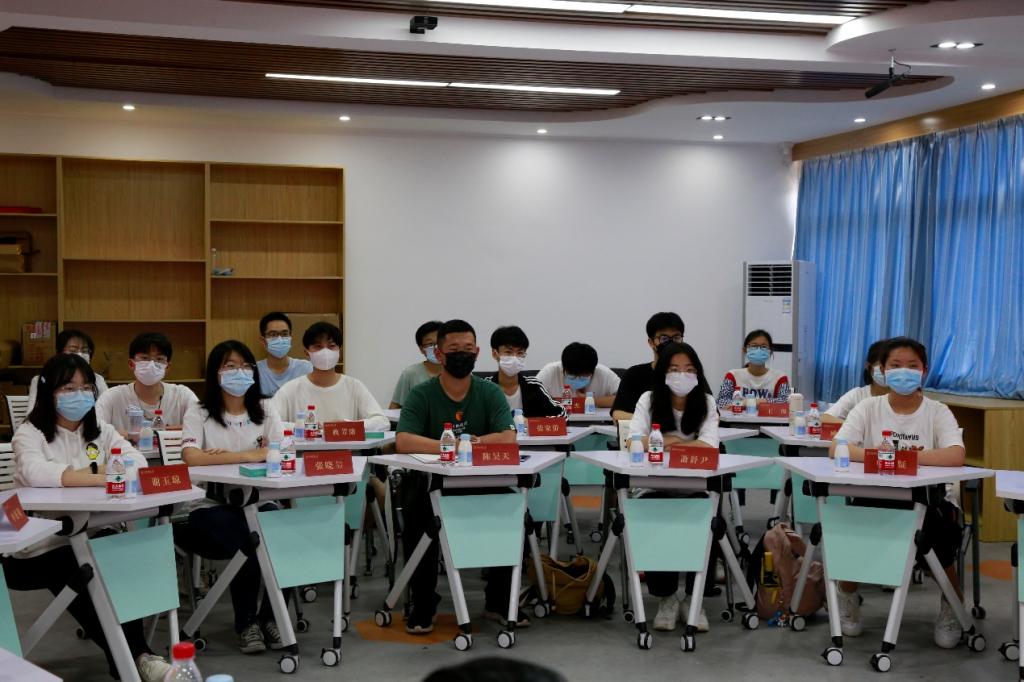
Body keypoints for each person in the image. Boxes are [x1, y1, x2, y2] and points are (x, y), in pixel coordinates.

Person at [6, 354, 172, 681]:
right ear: (49, 392)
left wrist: (87, 473)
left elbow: (137, 463)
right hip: (35, 549)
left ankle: (133, 658)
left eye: (85, 388)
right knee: (83, 567)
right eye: (69, 388)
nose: (79, 395)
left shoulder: (100, 430)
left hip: (91, 532)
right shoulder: (30, 433)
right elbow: (37, 472)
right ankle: (136, 658)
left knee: (119, 555)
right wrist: (100, 473)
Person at [829, 336, 966, 649]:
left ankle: (952, 603)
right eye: (896, 365)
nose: (904, 371)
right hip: (877, 496)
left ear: (924, 371)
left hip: (929, 499)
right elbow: (838, 447)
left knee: (940, 532)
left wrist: (903, 458)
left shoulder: (937, 411)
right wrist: (880, 457)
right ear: (882, 370)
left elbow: (955, 454)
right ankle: (847, 593)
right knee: (852, 526)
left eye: (912, 365)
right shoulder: (868, 407)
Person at [395, 319, 518, 634]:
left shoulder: (489, 391)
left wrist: (471, 443)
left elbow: (507, 437)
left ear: (477, 352)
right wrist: (450, 446)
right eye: (453, 349)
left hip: (480, 482)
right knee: (417, 515)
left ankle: (499, 602)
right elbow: (404, 440)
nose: (462, 354)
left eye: (467, 349)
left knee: (516, 512)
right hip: (431, 483)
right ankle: (424, 603)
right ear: (439, 353)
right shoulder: (422, 393)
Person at [175, 340, 286, 654]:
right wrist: (251, 454)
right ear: (216, 372)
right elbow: (191, 457)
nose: (240, 372)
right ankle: (246, 623)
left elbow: (279, 451)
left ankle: (271, 618)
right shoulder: (199, 411)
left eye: (245, 365)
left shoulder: (266, 408)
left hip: (259, 500)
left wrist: (224, 455)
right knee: (247, 535)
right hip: (207, 505)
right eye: (230, 366)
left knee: (284, 532)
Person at [627, 342, 719, 633]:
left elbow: (710, 446)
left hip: (694, 485)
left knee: (709, 518)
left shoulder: (706, 402)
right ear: (664, 373)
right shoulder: (649, 400)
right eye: (675, 369)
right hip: (653, 485)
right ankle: (666, 598)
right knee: (653, 513)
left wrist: (664, 443)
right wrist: (678, 442)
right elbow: (633, 441)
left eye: (689, 370)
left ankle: (694, 598)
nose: (682, 375)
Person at [272, 321, 389, 432]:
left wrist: (348, 425)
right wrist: (304, 427)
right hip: (305, 446)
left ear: (339, 352)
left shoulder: (354, 386)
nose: (325, 352)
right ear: (307, 353)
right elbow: (269, 424)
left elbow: (382, 422)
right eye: (318, 346)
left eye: (331, 346)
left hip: (347, 447)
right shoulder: (290, 389)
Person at [95, 332, 198, 434]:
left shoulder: (182, 395)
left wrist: (157, 433)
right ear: (131, 364)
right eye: (145, 358)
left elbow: (200, 425)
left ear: (167, 367)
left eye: (159, 359)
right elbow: (95, 431)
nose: (151, 365)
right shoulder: (112, 396)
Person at [611, 312, 685, 421]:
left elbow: (709, 412)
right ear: (651, 342)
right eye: (664, 338)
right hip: (644, 431)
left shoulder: (689, 374)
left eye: (676, 338)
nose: (671, 343)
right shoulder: (635, 374)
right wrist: (654, 422)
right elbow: (618, 414)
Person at [485, 325, 564, 417]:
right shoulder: (485, 388)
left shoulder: (533, 386)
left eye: (520, 353)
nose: (514, 358)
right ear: (495, 354)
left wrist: (531, 422)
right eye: (508, 352)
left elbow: (562, 414)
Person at [27, 329, 109, 410]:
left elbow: (107, 409)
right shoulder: (42, 379)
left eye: (84, 351)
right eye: (73, 350)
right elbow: (32, 413)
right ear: (59, 353)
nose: (80, 355)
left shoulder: (98, 379)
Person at [716, 329, 791, 409]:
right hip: (739, 417)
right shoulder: (733, 375)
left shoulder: (779, 377)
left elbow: (786, 402)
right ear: (744, 350)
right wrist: (762, 403)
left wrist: (753, 402)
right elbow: (720, 402)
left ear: (770, 351)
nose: (758, 350)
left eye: (763, 347)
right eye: (754, 346)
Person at [823, 338, 890, 422]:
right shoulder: (857, 395)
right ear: (868, 366)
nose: (886, 370)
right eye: (881, 366)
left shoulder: (902, 397)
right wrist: (854, 426)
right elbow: (826, 418)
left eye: (893, 366)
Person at [536, 342, 620, 408]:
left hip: (597, 421)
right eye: (572, 376)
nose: (577, 379)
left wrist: (590, 400)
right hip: (558, 420)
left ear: (593, 371)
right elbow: (530, 397)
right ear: (563, 368)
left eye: (583, 376)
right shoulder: (550, 371)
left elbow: (625, 399)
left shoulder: (604, 373)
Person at [255, 312, 313, 397]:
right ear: (263, 341)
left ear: (291, 338)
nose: (280, 339)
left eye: (284, 334)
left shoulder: (306, 368)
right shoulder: (255, 371)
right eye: (273, 334)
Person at [390, 320, 443, 409]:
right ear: (421, 349)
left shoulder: (459, 373)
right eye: (430, 344)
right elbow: (394, 408)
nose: (436, 348)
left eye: (439, 343)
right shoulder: (410, 373)